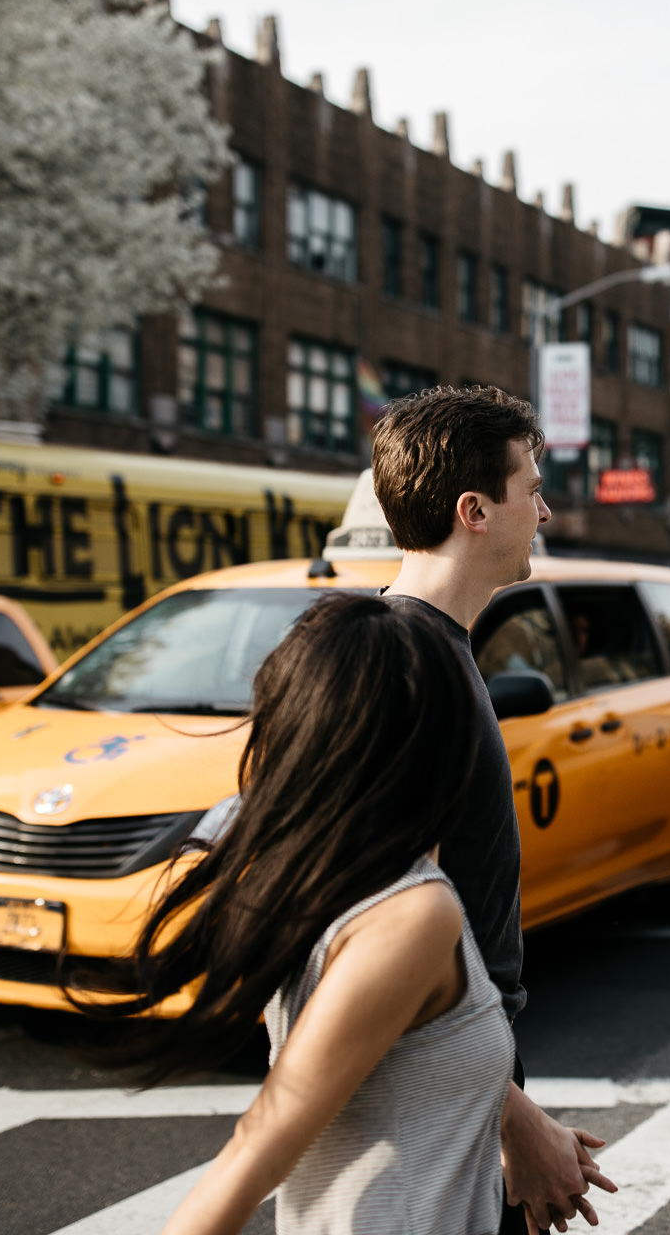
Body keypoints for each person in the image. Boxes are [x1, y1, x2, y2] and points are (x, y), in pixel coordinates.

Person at [71, 595, 513, 1234]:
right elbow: (255, 1152)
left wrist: (519, 1125)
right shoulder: (412, 913)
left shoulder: (318, 872)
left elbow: (399, 1069)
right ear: (434, 745)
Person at [374, 385, 617, 1235]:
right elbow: (380, 926)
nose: (546, 511)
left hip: (466, 1069)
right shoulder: (408, 668)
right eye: (533, 487)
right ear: (475, 510)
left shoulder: (434, 651)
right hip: (439, 1085)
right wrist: (514, 1118)